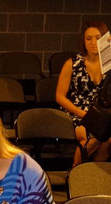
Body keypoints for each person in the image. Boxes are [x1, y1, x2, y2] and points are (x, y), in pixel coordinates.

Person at [56, 20, 110, 165]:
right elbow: (59, 97)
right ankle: (76, 171)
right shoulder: (72, 63)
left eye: (98, 38)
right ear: (83, 41)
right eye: (88, 38)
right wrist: (83, 114)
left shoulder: (109, 64)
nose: (93, 42)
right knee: (95, 136)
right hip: (78, 112)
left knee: (107, 138)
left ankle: (91, 175)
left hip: (101, 113)